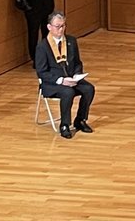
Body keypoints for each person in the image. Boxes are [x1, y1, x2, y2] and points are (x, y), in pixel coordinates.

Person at [34, 11, 94, 140]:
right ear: (49, 27)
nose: (61, 29)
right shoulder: (42, 47)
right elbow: (42, 72)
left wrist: (77, 75)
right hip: (53, 83)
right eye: (58, 26)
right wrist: (61, 80)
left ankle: (80, 120)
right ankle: (65, 125)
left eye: (63, 26)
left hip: (71, 79)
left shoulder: (71, 41)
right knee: (68, 92)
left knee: (89, 89)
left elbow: (77, 63)